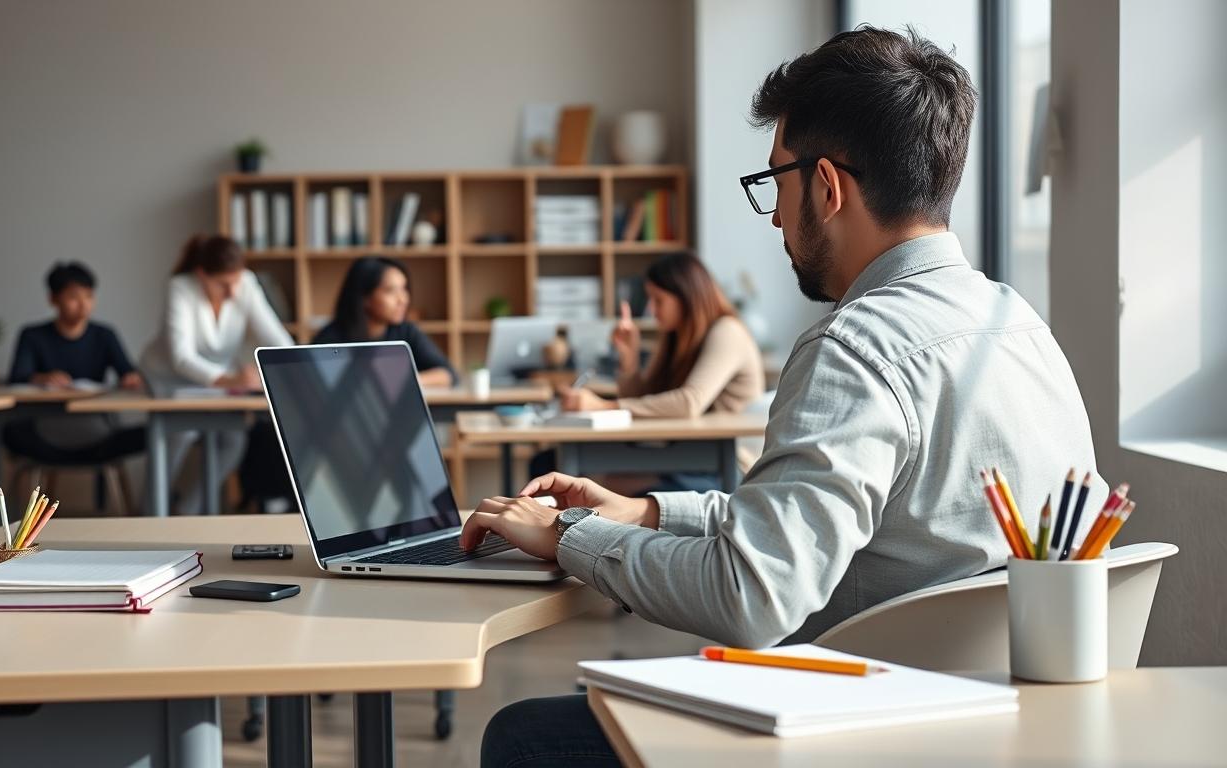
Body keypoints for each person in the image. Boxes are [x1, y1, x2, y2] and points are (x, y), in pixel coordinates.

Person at [468, 27, 1108, 767]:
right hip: (1004, 728)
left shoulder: (856, 347)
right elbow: (820, 529)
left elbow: (751, 595)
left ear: (828, 187)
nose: (774, 215)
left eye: (776, 181)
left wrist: (564, 538)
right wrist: (645, 511)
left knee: (523, 736)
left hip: (861, 729)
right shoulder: (1020, 323)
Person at [555, 252, 764, 491]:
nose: (651, 309)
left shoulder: (727, 331)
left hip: (723, 469)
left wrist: (602, 406)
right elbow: (643, 402)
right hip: (683, 459)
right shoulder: (675, 337)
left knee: (595, 486)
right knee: (561, 468)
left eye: (658, 300)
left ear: (687, 297)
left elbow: (688, 402)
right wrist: (629, 359)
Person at [139, 234, 293, 515]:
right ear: (202, 275)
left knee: (234, 440)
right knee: (180, 434)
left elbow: (277, 338)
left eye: (236, 282)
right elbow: (181, 357)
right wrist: (230, 380)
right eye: (223, 284)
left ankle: (188, 512)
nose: (233, 292)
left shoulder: (245, 283)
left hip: (216, 382)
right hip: (169, 377)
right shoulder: (180, 287)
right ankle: (151, 513)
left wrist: (291, 367)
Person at [3, 262, 145, 463]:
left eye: (89, 296)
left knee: (153, 434)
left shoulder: (104, 335)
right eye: (73, 297)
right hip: (44, 427)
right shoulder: (33, 336)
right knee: (9, 431)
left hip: (97, 427)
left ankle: (157, 494)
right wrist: (42, 378)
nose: (83, 304)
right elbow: (17, 378)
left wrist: (132, 379)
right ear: (53, 299)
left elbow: (128, 373)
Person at [312, 256, 456, 387]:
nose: (403, 299)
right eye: (390, 291)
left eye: (404, 289)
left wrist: (404, 382)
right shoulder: (331, 339)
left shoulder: (406, 332)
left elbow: (449, 374)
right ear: (364, 297)